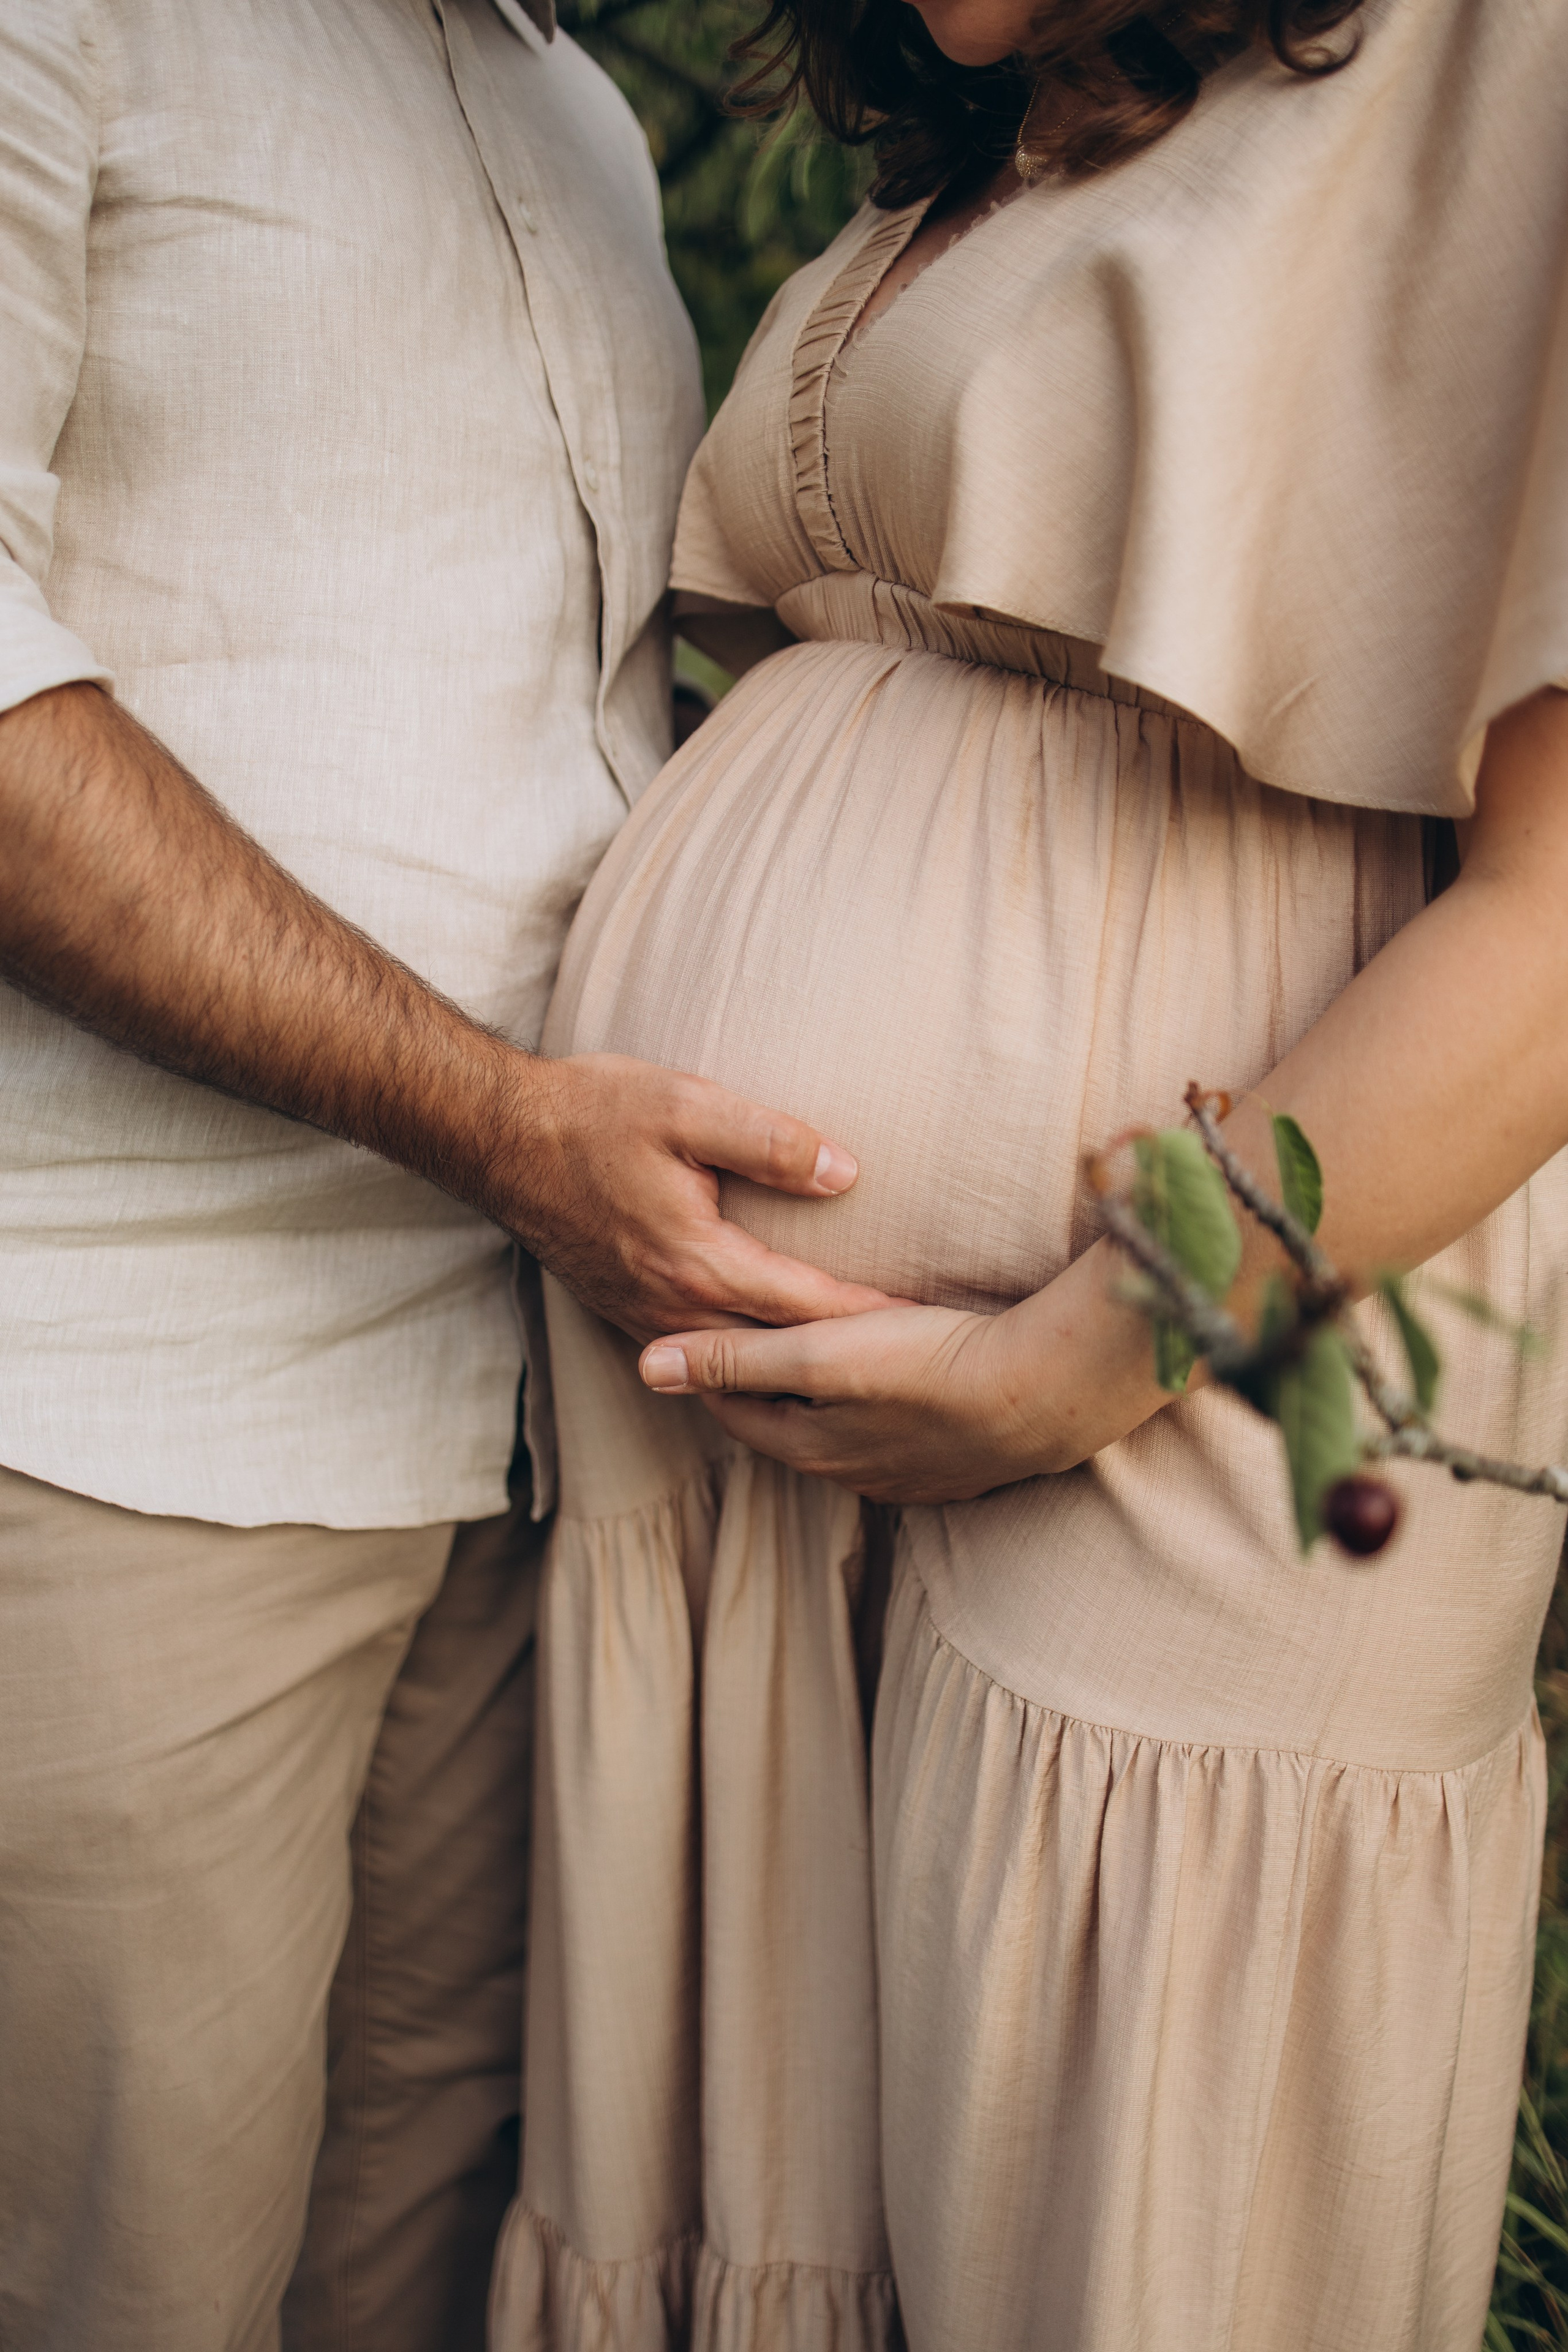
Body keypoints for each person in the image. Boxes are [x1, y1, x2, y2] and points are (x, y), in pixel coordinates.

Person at [501, 0, 1568, 2346]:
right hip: (760, 1491)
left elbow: (1564, 916)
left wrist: (1079, 1356)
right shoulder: (998, 137)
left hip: (1190, 1398)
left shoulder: (1504, 65)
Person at [0, 6, 891, 2349]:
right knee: (120, 2291)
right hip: (125, 1433)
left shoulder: (572, 109)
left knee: (406, 2282)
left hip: (539, 1440)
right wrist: (501, 1124)